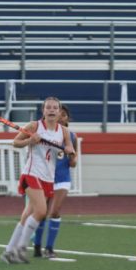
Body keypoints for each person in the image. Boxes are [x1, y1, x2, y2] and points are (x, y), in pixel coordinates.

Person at [0, 97, 76, 264]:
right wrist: (30, 140)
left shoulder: (63, 132)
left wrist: (71, 152)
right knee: (41, 211)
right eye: (48, 107)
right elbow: (16, 142)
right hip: (31, 174)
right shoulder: (34, 126)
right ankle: (20, 249)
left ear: (59, 111)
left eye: (54, 108)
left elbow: (71, 157)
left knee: (27, 215)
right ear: (43, 110)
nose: (51, 110)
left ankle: (8, 252)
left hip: (48, 178)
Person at [33, 104, 78, 258]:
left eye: (65, 115)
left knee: (55, 211)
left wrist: (71, 156)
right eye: (61, 114)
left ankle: (50, 248)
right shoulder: (45, 133)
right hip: (45, 177)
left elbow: (73, 163)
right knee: (41, 213)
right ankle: (37, 246)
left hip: (62, 179)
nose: (62, 117)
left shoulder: (71, 136)